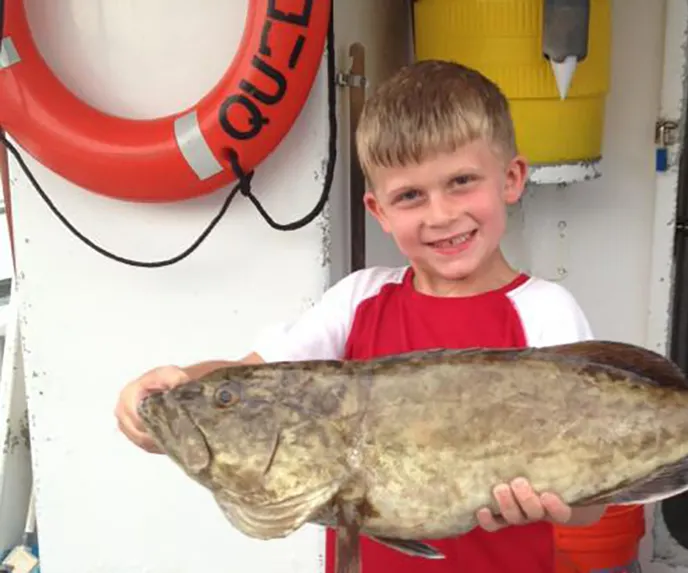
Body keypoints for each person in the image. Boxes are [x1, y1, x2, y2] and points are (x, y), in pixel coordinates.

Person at [114, 59, 644, 573]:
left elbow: (593, 505)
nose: (441, 214)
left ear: (511, 178)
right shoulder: (356, 301)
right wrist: (179, 385)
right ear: (380, 212)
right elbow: (251, 378)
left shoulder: (546, 313)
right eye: (411, 195)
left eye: (461, 181)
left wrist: (556, 503)